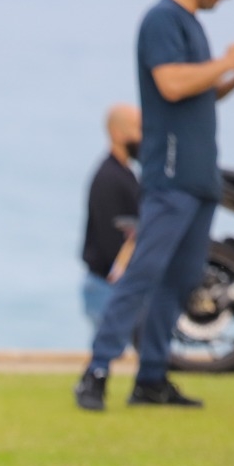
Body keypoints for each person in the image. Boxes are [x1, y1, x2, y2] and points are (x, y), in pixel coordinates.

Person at [75, 0, 234, 412]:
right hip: (171, 175)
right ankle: (96, 371)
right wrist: (228, 60)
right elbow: (171, 85)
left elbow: (199, 94)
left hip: (199, 178)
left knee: (181, 279)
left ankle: (151, 377)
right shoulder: (162, 19)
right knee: (144, 274)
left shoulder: (191, 24)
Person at [81, 104, 142, 330]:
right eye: (138, 129)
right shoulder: (109, 177)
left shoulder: (125, 174)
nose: (143, 137)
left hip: (112, 285)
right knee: (111, 352)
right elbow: (111, 239)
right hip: (107, 286)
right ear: (117, 133)